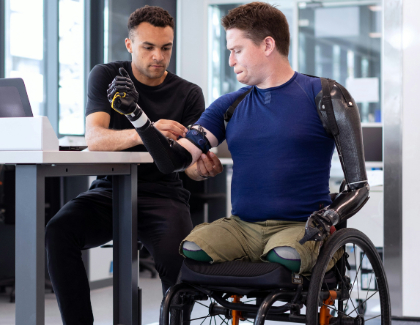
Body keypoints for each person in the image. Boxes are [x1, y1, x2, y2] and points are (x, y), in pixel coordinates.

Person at [107, 1, 369, 276]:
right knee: (192, 248)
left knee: (284, 256)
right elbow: (173, 160)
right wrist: (136, 115)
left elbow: (359, 187)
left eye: (237, 50)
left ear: (267, 45)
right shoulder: (228, 106)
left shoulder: (326, 96)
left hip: (299, 227)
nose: (231, 60)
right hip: (242, 227)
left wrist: (330, 217)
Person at [45, 6, 223, 325]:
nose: (158, 55)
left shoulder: (189, 93)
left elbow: (191, 167)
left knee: (179, 267)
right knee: (59, 231)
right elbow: (95, 138)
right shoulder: (108, 77)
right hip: (109, 191)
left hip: (163, 195)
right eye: (148, 47)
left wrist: (203, 167)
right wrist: (147, 130)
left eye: (166, 48)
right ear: (129, 45)